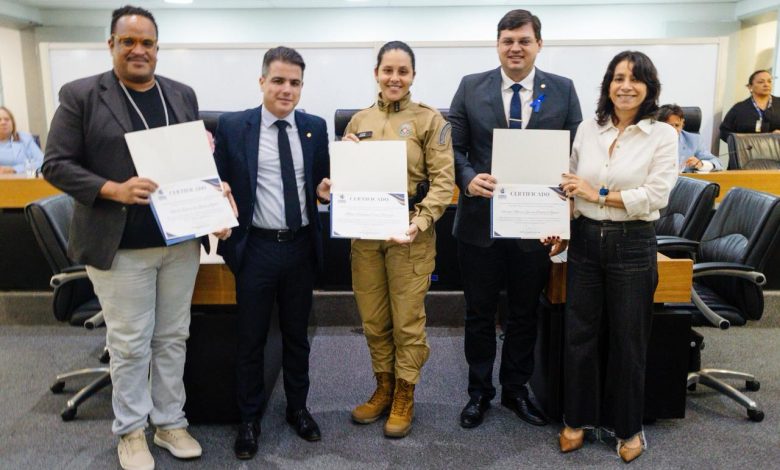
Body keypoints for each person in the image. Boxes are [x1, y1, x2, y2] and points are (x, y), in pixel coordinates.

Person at [41, 5, 231, 470]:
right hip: (118, 245)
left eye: (147, 42)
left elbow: (191, 161)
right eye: (128, 41)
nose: (138, 50)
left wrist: (214, 192)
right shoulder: (82, 95)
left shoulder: (181, 95)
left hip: (179, 242)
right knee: (129, 342)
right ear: (111, 45)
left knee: (172, 337)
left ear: (157, 48)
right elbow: (55, 164)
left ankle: (170, 422)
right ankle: (130, 432)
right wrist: (113, 189)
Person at [449, 8, 581, 430]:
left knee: (525, 312)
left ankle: (515, 390)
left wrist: (565, 210)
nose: (515, 48)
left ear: (539, 44)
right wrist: (467, 178)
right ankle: (478, 393)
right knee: (479, 313)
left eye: (524, 40)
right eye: (508, 40)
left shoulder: (562, 90)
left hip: (535, 225)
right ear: (498, 45)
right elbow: (450, 147)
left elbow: (575, 154)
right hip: (480, 224)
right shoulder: (471, 87)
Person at [557, 51, 677, 463]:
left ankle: (628, 427)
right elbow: (570, 185)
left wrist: (600, 194)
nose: (626, 86)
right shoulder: (589, 128)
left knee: (629, 340)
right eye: (618, 77)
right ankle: (577, 419)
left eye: (636, 79)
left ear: (649, 88)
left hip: (632, 242)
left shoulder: (662, 135)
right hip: (587, 240)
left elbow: (656, 196)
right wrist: (561, 225)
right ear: (608, 84)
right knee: (579, 337)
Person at [213, 46, 330, 460]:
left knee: (298, 336)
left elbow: (320, 184)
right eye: (278, 80)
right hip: (256, 247)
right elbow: (218, 183)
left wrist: (323, 191)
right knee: (252, 339)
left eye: (294, 82)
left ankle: (298, 409)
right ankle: (249, 418)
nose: (286, 89)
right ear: (262, 81)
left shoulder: (314, 127)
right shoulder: (232, 127)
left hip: (299, 248)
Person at [341, 41, 455, 438]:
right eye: (387, 70)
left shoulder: (429, 120)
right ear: (376, 72)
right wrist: (338, 171)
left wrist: (422, 221)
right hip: (366, 232)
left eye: (402, 71)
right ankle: (383, 387)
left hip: (409, 232)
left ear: (412, 76)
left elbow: (444, 181)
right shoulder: (357, 121)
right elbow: (345, 180)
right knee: (374, 320)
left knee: (407, 321)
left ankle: (405, 392)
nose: (394, 78)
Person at [657, 104, 723, 172]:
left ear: (682, 123)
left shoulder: (694, 140)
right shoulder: (651, 139)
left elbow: (717, 163)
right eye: (670, 126)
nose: (674, 130)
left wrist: (701, 164)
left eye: (677, 125)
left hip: (684, 180)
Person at [720, 70, 780, 143]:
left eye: (769, 81)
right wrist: (742, 140)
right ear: (750, 86)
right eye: (761, 82)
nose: (766, 84)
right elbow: (724, 132)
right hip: (748, 151)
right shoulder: (739, 108)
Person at [0, 106, 43, 175]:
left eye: (7, 119)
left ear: (13, 123)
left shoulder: (25, 138)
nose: (3, 123)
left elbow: (42, 162)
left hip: (23, 182)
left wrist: (14, 169)